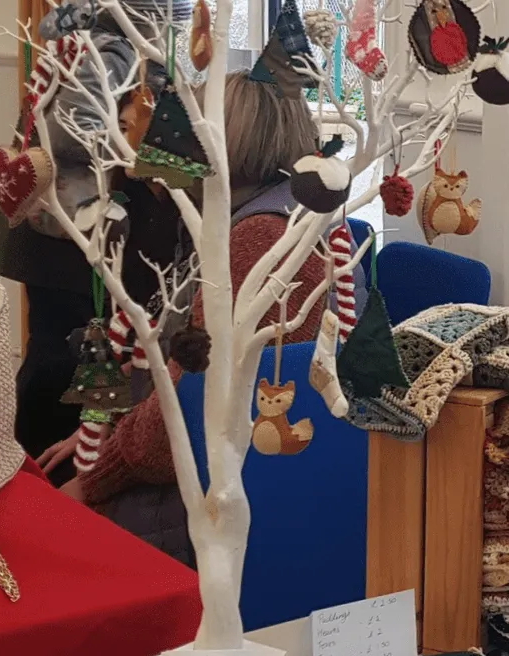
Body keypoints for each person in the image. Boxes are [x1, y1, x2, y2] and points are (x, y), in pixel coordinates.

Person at [64, 70, 361, 566]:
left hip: (212, 502)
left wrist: (94, 478)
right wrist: (104, 428)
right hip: (231, 477)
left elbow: (190, 414)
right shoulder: (283, 212)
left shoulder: (256, 240)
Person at [0, 0, 193, 464]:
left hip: (72, 236)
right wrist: (131, 140)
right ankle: (44, 479)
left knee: (76, 365)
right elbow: (71, 135)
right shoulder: (106, 49)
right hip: (72, 238)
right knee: (65, 371)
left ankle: (50, 473)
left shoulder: (115, 45)